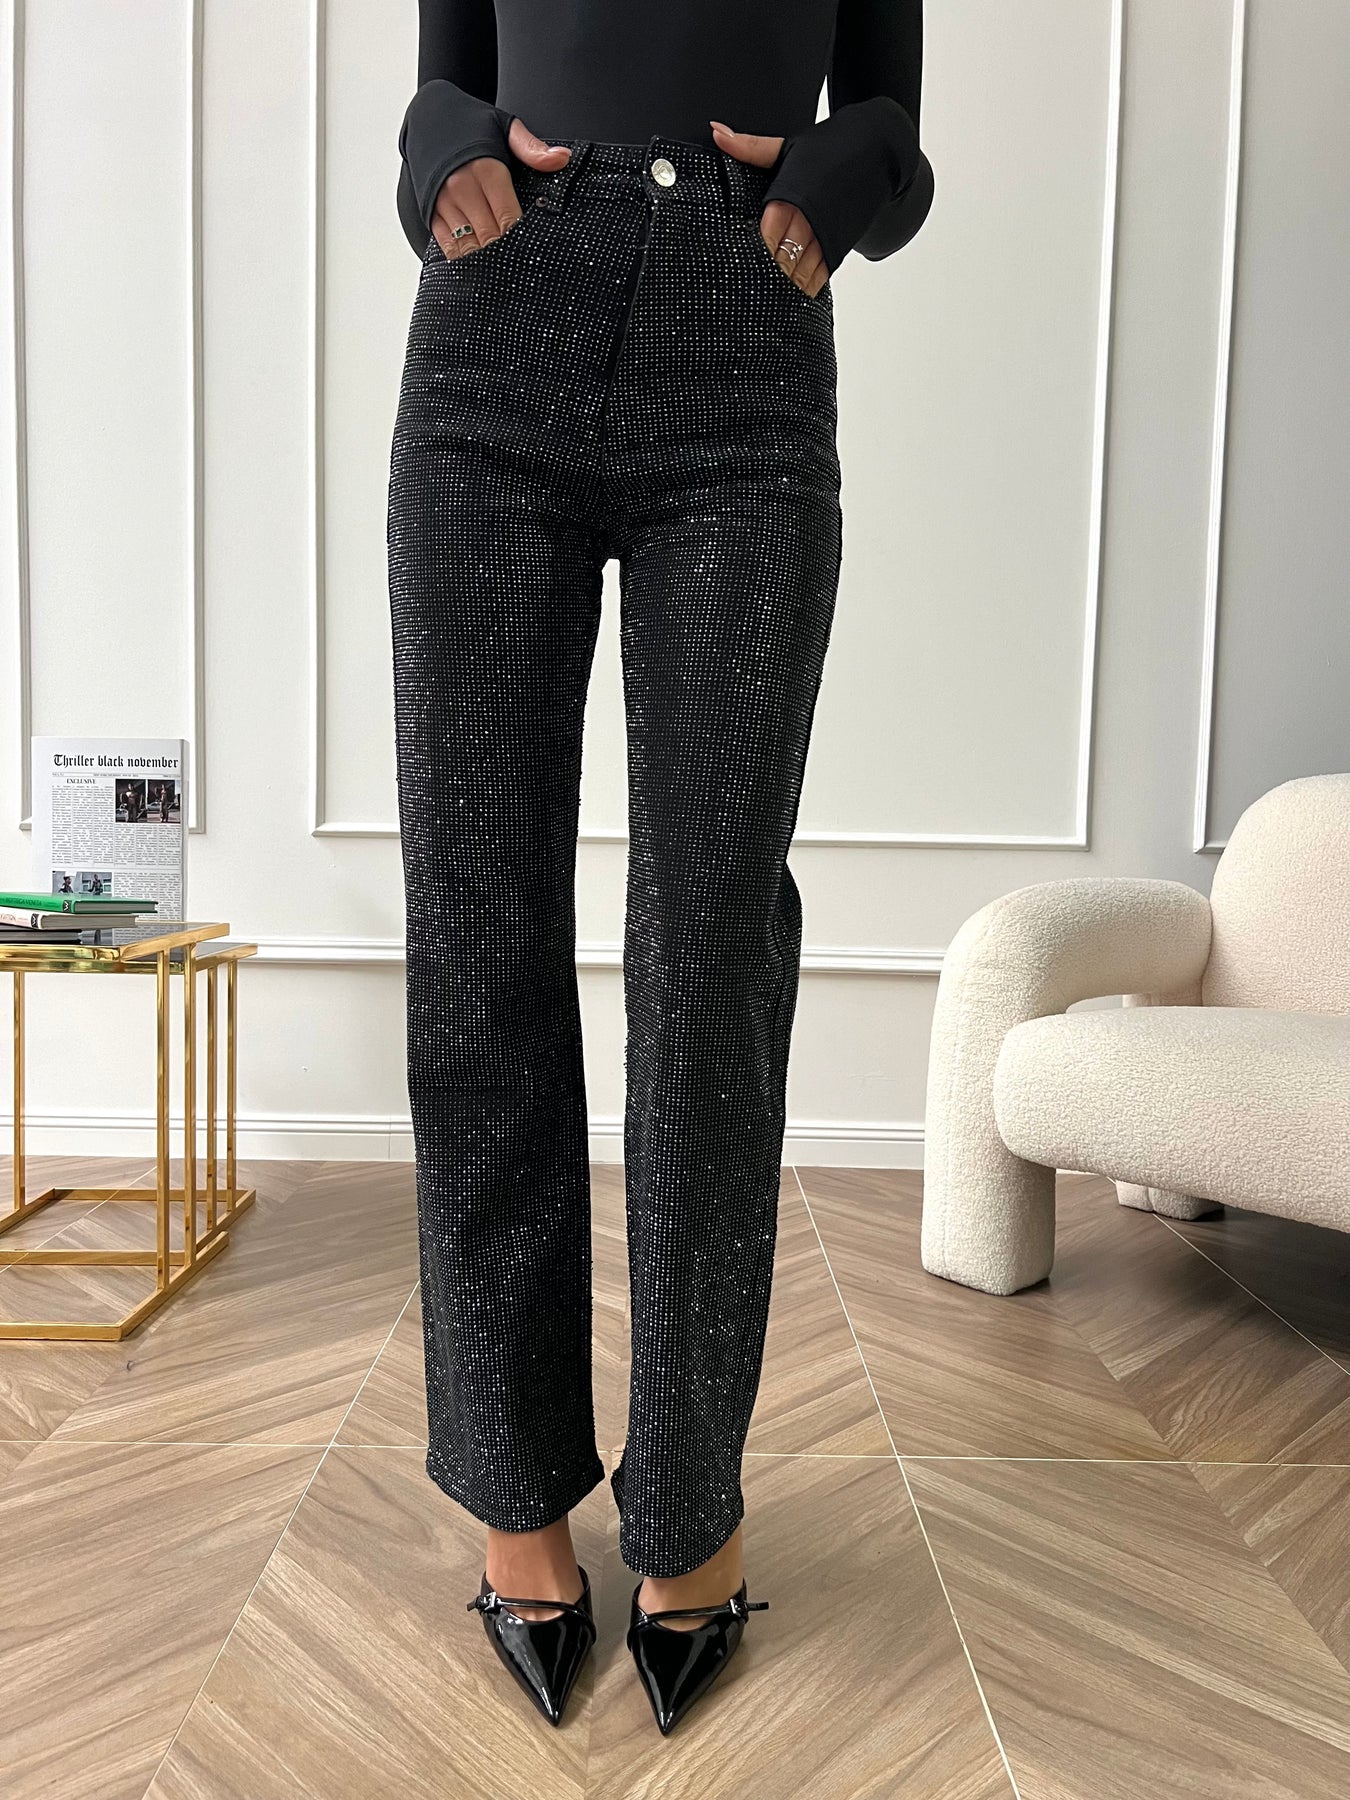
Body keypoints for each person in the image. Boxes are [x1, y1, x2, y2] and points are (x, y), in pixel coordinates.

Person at [387, 0, 934, 1735]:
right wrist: (441, 153)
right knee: (477, 929)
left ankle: (690, 1508)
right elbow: (446, 77)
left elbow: (894, 128)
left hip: (742, 358)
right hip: (493, 348)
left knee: (708, 954)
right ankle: (515, 1497)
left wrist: (829, 185)